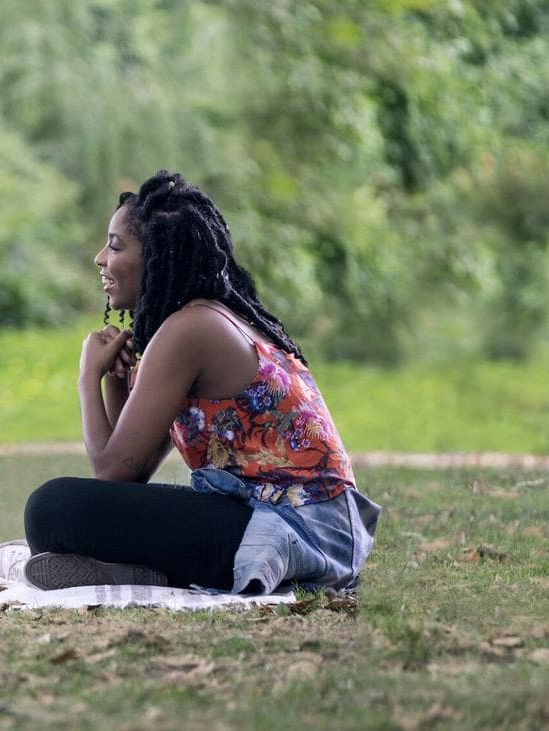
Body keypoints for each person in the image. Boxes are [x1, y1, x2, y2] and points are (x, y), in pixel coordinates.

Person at [22, 171, 380, 594]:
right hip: (303, 526)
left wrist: (86, 376)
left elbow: (111, 473)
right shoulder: (203, 320)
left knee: (52, 508)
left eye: (115, 245)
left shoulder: (190, 330)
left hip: (296, 530)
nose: (101, 258)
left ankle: (134, 567)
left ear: (156, 256)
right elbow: (130, 471)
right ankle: (139, 573)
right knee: (67, 508)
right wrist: (116, 380)